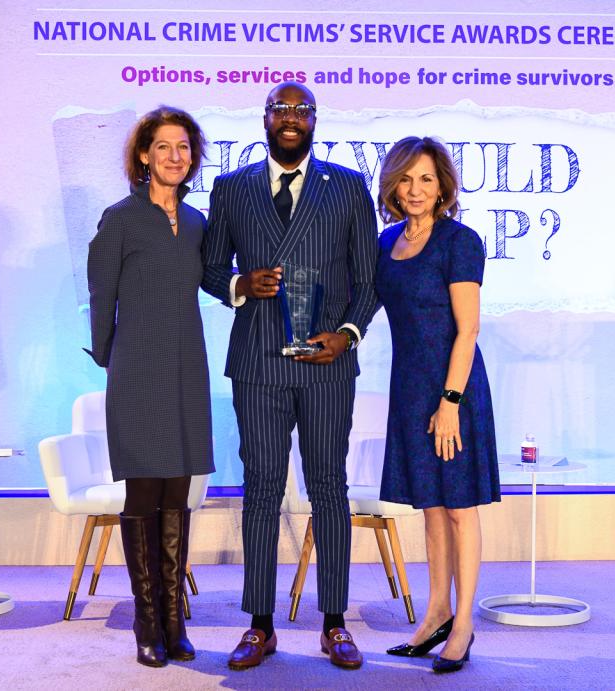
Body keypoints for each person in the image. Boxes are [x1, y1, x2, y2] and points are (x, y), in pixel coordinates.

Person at [202, 82, 379, 671]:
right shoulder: (231, 188)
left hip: (328, 364)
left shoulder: (348, 186)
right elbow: (208, 269)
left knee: (329, 487)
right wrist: (238, 285)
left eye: (302, 110)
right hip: (257, 363)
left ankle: (334, 623)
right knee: (261, 491)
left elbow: (369, 278)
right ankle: (259, 625)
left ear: (315, 121)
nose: (292, 118)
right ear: (264, 118)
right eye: (282, 109)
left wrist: (347, 335)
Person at [87, 106, 215, 668]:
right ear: (144, 155)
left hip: (188, 365)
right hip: (136, 368)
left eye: (183, 147)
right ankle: (145, 622)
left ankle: (173, 619)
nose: (174, 156)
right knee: (142, 495)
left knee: (177, 495)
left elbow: (213, 281)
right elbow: (100, 296)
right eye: (163, 147)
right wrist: (113, 357)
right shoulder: (119, 218)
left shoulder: (196, 223)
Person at [374, 136, 500, 674]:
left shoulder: (460, 241)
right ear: (393, 187)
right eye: (406, 179)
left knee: (458, 507)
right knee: (430, 508)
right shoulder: (386, 243)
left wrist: (450, 401)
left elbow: (467, 329)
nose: (416, 189)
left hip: (455, 389)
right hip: (409, 389)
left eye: (427, 179)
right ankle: (435, 613)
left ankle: (464, 623)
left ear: (443, 185)